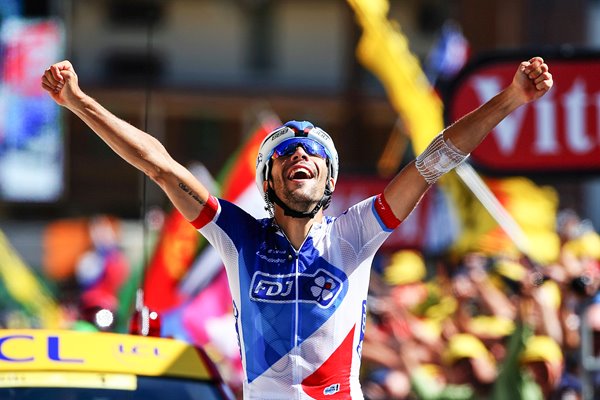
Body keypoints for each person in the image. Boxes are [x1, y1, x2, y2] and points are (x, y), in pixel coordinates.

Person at [41, 57, 553, 399]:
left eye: (313, 152)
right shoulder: (240, 236)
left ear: (329, 179)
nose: (299, 154)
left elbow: (434, 161)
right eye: (285, 152)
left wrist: (510, 98)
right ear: (268, 181)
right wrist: (79, 101)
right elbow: (160, 167)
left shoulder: (355, 233)